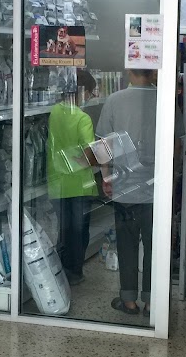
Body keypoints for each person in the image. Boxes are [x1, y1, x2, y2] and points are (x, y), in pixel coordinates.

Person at [96, 69, 161, 317]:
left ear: (129, 71)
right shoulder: (164, 99)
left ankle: (129, 300)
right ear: (153, 72)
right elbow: (177, 144)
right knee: (155, 245)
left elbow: (103, 145)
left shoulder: (114, 100)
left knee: (126, 243)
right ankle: (152, 301)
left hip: (124, 186)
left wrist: (106, 177)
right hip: (156, 187)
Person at [47, 69, 99, 285]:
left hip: (57, 180)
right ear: (82, 91)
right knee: (79, 231)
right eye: (90, 93)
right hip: (79, 183)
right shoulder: (82, 118)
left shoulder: (54, 112)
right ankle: (75, 273)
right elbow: (90, 154)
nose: (90, 97)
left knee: (64, 229)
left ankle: (61, 271)